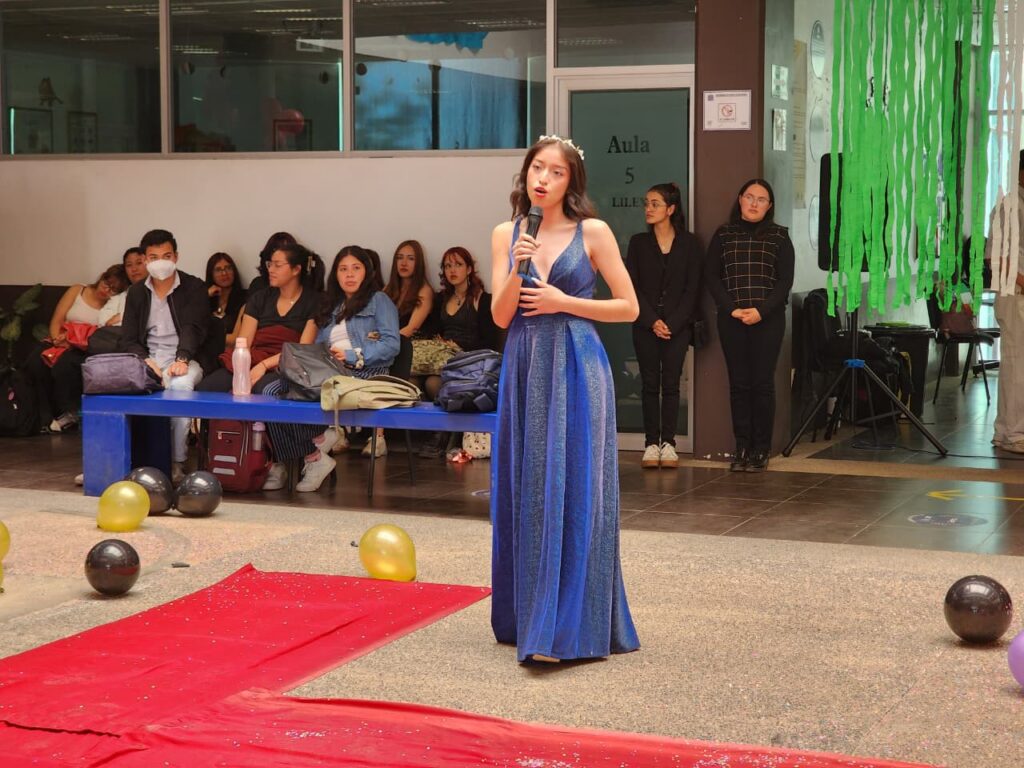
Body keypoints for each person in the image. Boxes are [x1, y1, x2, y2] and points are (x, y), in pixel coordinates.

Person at [489, 135, 641, 664]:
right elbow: (500, 315)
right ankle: (532, 619)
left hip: (579, 362)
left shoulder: (593, 232)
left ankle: (569, 628)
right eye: (538, 168)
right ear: (525, 173)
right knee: (529, 485)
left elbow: (628, 307)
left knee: (577, 485)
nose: (544, 179)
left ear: (571, 181)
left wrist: (564, 302)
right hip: (526, 363)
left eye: (557, 172)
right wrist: (518, 268)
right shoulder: (508, 233)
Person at [264, 245, 400, 491]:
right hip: (330, 372)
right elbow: (319, 347)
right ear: (335, 275)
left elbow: (391, 345)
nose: (350, 275)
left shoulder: (379, 300)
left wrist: (352, 355)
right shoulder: (331, 305)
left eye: (356, 268)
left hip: (364, 373)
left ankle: (312, 452)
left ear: (367, 272)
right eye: (343, 269)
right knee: (270, 392)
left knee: (299, 393)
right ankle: (315, 447)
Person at [705, 178, 794, 472]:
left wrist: (760, 311)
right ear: (740, 199)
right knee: (739, 384)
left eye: (761, 199)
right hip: (732, 319)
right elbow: (712, 276)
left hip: (768, 320)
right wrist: (732, 309)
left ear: (769, 206)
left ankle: (761, 449)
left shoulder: (779, 236)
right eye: (750, 197)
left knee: (762, 384)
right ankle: (742, 446)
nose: (754, 203)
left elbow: (784, 282)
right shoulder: (724, 234)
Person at [120, 229, 209, 483]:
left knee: (180, 387)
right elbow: (128, 338)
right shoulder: (137, 292)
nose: (161, 262)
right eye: (154, 257)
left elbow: (193, 328)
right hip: (148, 358)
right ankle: (124, 460)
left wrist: (182, 359)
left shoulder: (193, 287)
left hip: (186, 357)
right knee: (122, 391)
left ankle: (177, 462)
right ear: (145, 260)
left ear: (176, 257)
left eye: (166, 256)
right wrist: (145, 360)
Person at [625, 182, 703, 469]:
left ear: (671, 209)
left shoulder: (690, 244)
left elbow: (692, 289)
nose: (648, 209)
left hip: (677, 326)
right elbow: (631, 286)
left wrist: (673, 322)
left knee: (671, 384)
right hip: (645, 324)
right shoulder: (638, 243)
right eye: (646, 203)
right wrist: (652, 321)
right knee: (649, 384)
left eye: (655, 204)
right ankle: (650, 443)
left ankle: (668, 443)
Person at [197, 242, 319, 395]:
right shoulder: (260, 298)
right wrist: (242, 372)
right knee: (207, 388)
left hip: (285, 365)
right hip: (251, 359)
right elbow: (244, 342)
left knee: (262, 390)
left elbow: (302, 350)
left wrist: (264, 365)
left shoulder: (313, 302)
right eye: (270, 264)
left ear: (296, 269)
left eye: (277, 265)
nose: (271, 270)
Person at [24, 264, 128, 433]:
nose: (106, 290)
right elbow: (57, 319)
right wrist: (56, 340)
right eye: (106, 283)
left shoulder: (110, 307)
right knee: (35, 362)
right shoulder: (78, 290)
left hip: (81, 346)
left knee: (64, 366)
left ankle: (65, 414)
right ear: (102, 277)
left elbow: (102, 333)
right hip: (57, 339)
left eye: (113, 290)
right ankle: (40, 416)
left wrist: (71, 342)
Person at [417, 246, 497, 459]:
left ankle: (443, 434)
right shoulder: (441, 299)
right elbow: (433, 331)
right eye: (448, 266)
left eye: (458, 265)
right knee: (417, 380)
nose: (452, 270)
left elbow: (490, 341)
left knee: (434, 383)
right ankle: (437, 431)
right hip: (443, 359)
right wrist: (440, 343)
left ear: (469, 269)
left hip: (469, 361)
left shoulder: (482, 299)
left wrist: (459, 347)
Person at [986, 150, 1024, 454]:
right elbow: (996, 258)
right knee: (1016, 364)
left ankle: (1006, 431)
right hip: (1015, 296)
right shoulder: (1008, 206)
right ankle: (1012, 433)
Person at [198, 252, 247, 372]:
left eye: (228, 268)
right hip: (204, 356)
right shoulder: (205, 298)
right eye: (218, 270)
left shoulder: (245, 298)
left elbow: (236, 339)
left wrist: (207, 338)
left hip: (231, 356)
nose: (224, 273)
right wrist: (205, 296)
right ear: (211, 274)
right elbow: (193, 328)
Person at [383, 239, 434, 338]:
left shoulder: (424, 291)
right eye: (400, 258)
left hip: (410, 343)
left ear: (418, 263)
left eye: (411, 259)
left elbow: (411, 329)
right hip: (386, 340)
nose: (404, 263)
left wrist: (385, 342)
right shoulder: (388, 288)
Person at [97, 247, 147, 328]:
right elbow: (103, 322)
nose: (134, 269)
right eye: (129, 265)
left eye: (139, 263)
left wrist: (121, 317)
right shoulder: (120, 296)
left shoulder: (158, 291)